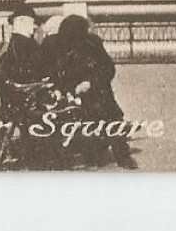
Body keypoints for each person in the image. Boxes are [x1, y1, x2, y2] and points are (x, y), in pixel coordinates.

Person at [41, 14, 134, 167]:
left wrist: (90, 83)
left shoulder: (93, 43)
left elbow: (108, 68)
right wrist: (64, 89)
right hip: (70, 93)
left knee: (111, 113)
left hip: (95, 90)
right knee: (86, 119)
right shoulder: (55, 45)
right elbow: (51, 72)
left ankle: (122, 155)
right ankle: (93, 151)